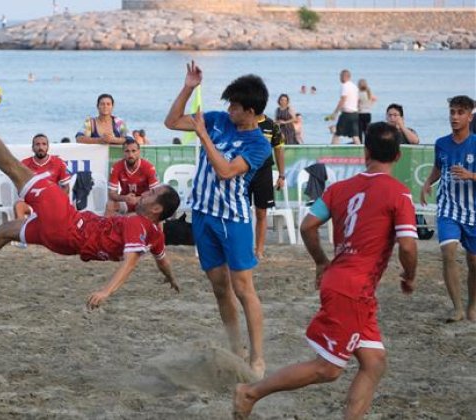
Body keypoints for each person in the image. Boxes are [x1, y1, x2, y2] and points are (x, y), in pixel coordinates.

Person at [233, 122, 419, 419]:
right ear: (398, 156)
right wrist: (409, 275)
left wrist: (321, 261)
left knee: (374, 363)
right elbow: (408, 247)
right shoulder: (399, 193)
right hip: (354, 289)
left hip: (344, 281)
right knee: (328, 368)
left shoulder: (340, 189)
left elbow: (308, 226)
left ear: (365, 151)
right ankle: (250, 393)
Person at [0, 106, 181, 310]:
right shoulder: (155, 235)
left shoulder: (138, 224)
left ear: (156, 209)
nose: (147, 191)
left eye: (153, 193)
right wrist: (171, 279)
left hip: (67, 225)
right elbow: (163, 261)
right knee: (7, 231)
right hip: (66, 240)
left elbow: (131, 262)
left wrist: (105, 291)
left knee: (15, 169)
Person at [164, 62, 272, 378]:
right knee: (219, 287)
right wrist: (188, 86)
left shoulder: (259, 145)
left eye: (235, 106)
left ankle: (257, 356)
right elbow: (171, 122)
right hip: (203, 215)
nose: (229, 110)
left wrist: (202, 136)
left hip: (233, 220)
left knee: (243, 288)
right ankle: (235, 347)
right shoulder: (218, 120)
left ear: (250, 111)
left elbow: (225, 171)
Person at [420, 95, 476, 323]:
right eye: (452, 112)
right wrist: (426, 183)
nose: (454, 117)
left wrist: (471, 175)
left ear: (470, 116)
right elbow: (437, 168)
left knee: (473, 262)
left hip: (472, 211)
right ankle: (457, 309)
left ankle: (473, 306)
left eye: (460, 112)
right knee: (448, 252)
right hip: (448, 208)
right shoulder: (441, 143)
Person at [250, 114, 286, 259]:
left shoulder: (271, 125)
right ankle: (243, 247)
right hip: (243, 171)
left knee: (261, 213)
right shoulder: (243, 121)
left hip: (264, 173)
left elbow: (279, 150)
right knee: (241, 213)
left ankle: (259, 250)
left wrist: (282, 175)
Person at [15, 133, 71, 219]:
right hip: (32, 203)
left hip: (52, 203)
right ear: (32, 148)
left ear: (48, 147)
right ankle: (23, 231)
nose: (41, 147)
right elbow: (19, 188)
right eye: (37, 144)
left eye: (44, 144)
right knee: (18, 206)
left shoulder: (58, 163)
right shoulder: (24, 164)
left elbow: (66, 187)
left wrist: (56, 200)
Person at [106, 139, 159, 217]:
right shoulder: (116, 167)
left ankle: (159, 229)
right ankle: (104, 228)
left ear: (139, 152)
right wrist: (124, 198)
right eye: (127, 151)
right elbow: (111, 194)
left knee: (158, 206)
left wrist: (137, 199)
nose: (130, 155)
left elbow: (156, 193)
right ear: (123, 152)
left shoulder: (148, 167)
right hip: (126, 201)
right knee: (110, 205)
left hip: (144, 202)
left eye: (133, 151)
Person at [329, 70, 361, 145]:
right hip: (355, 113)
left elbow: (343, 99)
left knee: (337, 134)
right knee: (355, 135)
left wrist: (335, 113)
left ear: (345, 76)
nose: (339, 78)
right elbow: (358, 100)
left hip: (347, 113)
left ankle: (332, 151)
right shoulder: (354, 86)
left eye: (340, 76)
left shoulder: (345, 86)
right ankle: (361, 152)